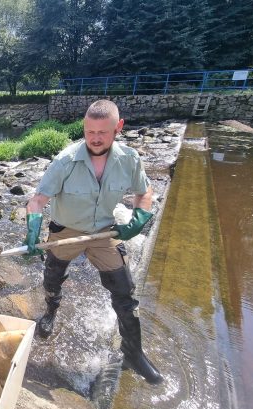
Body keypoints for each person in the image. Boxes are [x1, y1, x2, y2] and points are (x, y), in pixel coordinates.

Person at [24, 99, 163, 384]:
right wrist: (33, 228)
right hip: (66, 231)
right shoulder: (65, 160)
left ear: (118, 128)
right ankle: (50, 312)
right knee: (52, 278)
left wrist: (138, 220)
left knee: (125, 292)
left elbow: (144, 192)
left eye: (102, 132)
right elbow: (38, 200)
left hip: (104, 233)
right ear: (84, 128)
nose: (95, 138)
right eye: (89, 132)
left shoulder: (129, 159)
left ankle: (133, 354)